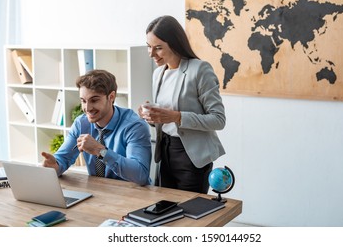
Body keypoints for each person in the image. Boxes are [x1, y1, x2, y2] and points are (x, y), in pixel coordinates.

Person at [139, 15, 226, 193]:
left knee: (190, 214)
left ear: (175, 44)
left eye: (158, 48)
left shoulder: (200, 70)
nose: (151, 54)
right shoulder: (158, 73)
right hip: (165, 152)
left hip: (191, 156)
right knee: (165, 212)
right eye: (149, 47)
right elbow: (164, 119)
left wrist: (177, 117)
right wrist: (150, 116)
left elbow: (218, 120)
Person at [42, 69, 152, 186]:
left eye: (94, 100)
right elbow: (62, 159)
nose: (87, 108)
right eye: (83, 101)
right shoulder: (81, 123)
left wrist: (100, 151)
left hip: (133, 196)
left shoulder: (134, 126)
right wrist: (55, 166)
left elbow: (141, 175)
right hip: (98, 194)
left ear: (111, 97)